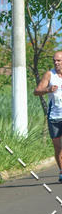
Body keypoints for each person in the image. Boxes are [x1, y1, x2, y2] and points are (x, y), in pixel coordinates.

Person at [34, 50, 62, 183]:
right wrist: (48, 90)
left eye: (59, 60)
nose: (56, 63)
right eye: (54, 61)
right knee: (58, 148)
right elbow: (36, 91)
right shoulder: (50, 75)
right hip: (54, 117)